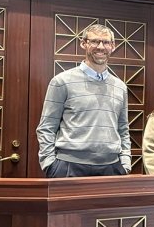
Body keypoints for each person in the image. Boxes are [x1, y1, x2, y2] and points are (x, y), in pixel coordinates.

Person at [36, 21, 131, 178]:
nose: (100, 46)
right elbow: (46, 127)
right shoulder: (61, 81)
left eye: (106, 42)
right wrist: (49, 165)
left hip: (112, 168)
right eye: (94, 41)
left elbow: (123, 129)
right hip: (68, 167)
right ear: (83, 44)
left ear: (113, 46)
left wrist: (125, 163)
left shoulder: (120, 87)